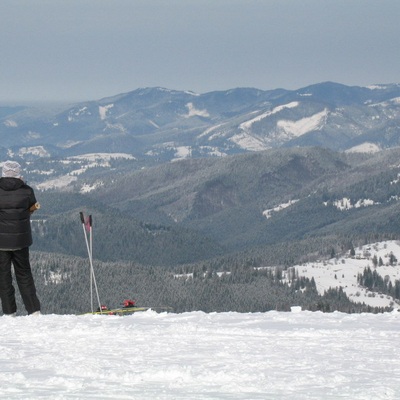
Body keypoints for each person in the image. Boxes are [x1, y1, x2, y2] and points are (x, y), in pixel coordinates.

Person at [0, 160, 41, 316]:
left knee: (3, 277)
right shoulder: (27, 191)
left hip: (1, 242)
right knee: (24, 274)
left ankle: (9, 312)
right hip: (21, 241)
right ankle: (34, 310)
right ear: (18, 173)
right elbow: (31, 208)